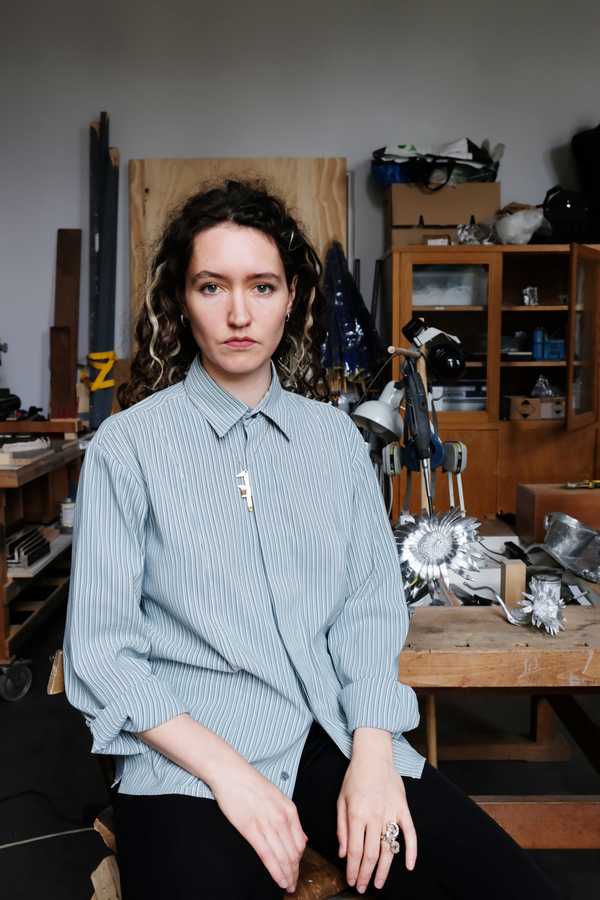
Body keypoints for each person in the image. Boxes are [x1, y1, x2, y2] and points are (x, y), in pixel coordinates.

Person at [63, 178, 559, 900]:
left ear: (292, 296)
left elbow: (366, 609)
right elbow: (104, 651)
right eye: (212, 286)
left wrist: (374, 752)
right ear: (180, 299)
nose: (239, 313)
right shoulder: (128, 446)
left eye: (262, 287)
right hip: (188, 755)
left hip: (331, 732)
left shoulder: (333, 440)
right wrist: (232, 777)